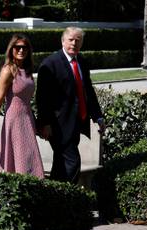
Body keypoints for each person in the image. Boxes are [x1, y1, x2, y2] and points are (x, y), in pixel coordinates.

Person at [36, 26, 105, 183]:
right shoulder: (50, 64)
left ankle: (56, 198)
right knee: (73, 162)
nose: (74, 43)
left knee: (61, 165)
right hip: (58, 125)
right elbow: (42, 98)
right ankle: (72, 198)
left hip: (76, 123)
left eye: (78, 40)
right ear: (63, 41)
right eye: (71, 40)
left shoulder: (81, 62)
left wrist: (98, 117)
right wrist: (45, 123)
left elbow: (88, 91)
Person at [0, 33, 44, 179]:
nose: (21, 50)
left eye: (24, 47)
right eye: (17, 47)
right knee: (19, 162)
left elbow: (27, 101)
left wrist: (37, 124)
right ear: (11, 49)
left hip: (27, 121)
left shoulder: (28, 71)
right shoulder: (8, 70)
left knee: (31, 160)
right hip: (14, 122)